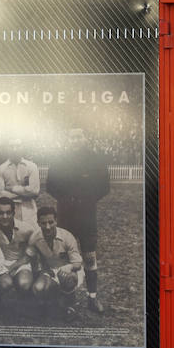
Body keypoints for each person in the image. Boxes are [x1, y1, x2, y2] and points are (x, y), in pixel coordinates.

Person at [45, 128, 109, 313]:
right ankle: (68, 299)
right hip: (66, 214)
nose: (75, 140)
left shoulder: (96, 159)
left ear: (85, 138)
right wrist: (67, 200)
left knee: (89, 257)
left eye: (79, 137)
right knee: (65, 256)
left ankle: (92, 298)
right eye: (72, 137)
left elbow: (105, 186)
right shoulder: (60, 159)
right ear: (68, 139)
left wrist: (87, 199)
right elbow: (50, 185)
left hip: (87, 215)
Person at [27, 206, 84, 316]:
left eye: (51, 222)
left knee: (68, 277)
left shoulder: (67, 236)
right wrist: (41, 272)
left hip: (69, 270)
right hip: (50, 271)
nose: (47, 227)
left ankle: (70, 305)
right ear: (38, 223)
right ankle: (53, 298)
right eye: (43, 223)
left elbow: (77, 263)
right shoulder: (34, 238)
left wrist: (68, 267)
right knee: (38, 288)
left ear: (56, 221)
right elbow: (33, 260)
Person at [0, 196, 36, 295]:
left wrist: (12, 267)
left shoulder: (27, 229)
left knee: (24, 284)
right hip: (0, 263)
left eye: (8, 213)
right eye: (1, 213)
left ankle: (24, 304)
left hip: (21, 263)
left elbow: (28, 256)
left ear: (13, 213)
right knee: (5, 284)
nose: (5, 216)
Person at [0, 139, 40, 224]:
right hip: (9, 209)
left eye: (18, 146)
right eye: (12, 146)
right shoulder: (0, 169)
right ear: (7, 148)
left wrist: (12, 189)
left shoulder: (32, 166)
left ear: (23, 147)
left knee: (31, 234)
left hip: (29, 208)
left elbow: (35, 191)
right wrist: (25, 192)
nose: (15, 149)